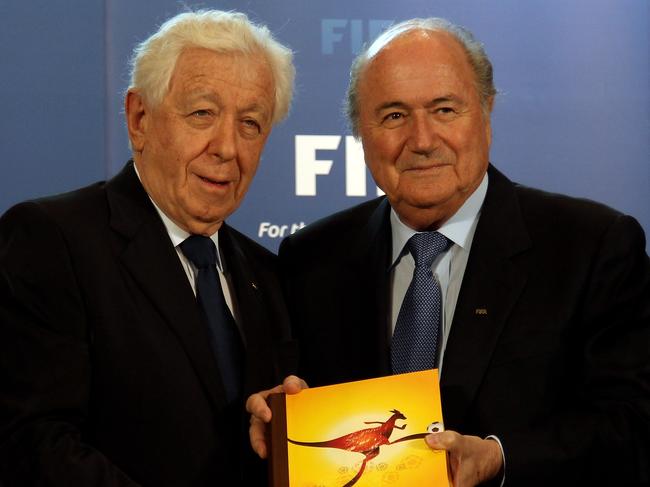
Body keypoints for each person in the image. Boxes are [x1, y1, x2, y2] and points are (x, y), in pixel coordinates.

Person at [247, 18, 650, 486]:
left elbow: (635, 425)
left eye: (444, 110)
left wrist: (500, 457)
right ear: (360, 132)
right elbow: (305, 405)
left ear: (486, 110)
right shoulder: (312, 258)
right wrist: (280, 415)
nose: (421, 140)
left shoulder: (592, 246)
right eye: (394, 115)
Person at [0, 10, 297, 486]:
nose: (226, 147)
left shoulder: (268, 273)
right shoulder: (53, 239)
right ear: (139, 118)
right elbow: (32, 443)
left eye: (250, 123)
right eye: (202, 113)